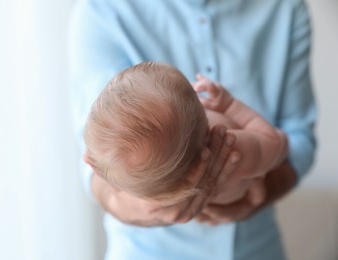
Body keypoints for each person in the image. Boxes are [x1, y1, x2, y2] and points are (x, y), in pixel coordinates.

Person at [70, 0, 317, 259]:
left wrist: (261, 196)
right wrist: (231, 107)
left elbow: (301, 138)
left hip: (255, 248)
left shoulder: (285, 7)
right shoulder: (102, 10)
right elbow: (280, 144)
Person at [83, 61, 288, 207]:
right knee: (268, 163)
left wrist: (107, 172)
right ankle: (253, 187)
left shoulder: (139, 187)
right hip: (239, 186)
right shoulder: (232, 146)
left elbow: (119, 167)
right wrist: (230, 105)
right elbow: (274, 144)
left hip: (196, 207)